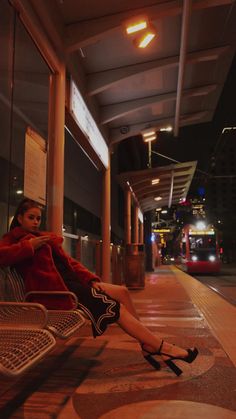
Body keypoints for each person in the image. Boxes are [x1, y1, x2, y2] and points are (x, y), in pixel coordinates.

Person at [0, 199, 198, 376]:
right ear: (19, 218)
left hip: (74, 284)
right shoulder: (14, 239)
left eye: (38, 218)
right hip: (59, 293)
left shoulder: (45, 238)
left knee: (122, 292)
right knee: (115, 308)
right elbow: (2, 256)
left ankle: (147, 345)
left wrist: (91, 279)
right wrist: (29, 247)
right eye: (30, 217)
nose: (35, 222)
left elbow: (71, 264)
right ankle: (163, 348)